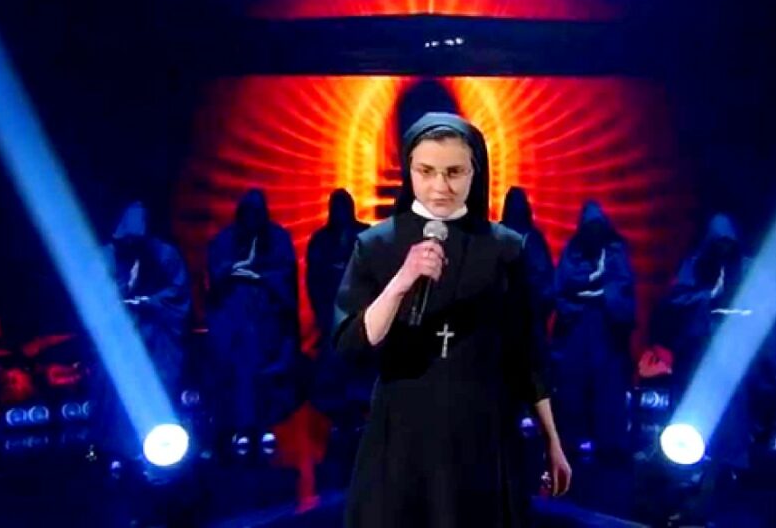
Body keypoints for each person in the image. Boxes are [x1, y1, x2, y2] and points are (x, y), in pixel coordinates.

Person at [333, 112, 571, 527]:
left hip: (482, 432)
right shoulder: (375, 244)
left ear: (475, 173)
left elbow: (525, 355)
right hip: (402, 433)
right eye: (426, 171)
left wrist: (552, 439)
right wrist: (402, 280)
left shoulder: (505, 248)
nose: (440, 187)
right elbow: (351, 343)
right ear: (408, 170)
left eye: (454, 172)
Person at [645, 214, 776, 471]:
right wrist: (708, 297)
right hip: (699, 353)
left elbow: (767, 311)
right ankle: (692, 468)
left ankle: (730, 467)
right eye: (718, 244)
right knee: (694, 414)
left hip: (735, 354)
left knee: (734, 414)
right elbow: (675, 303)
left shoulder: (749, 269)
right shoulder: (695, 267)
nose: (723, 250)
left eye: (727, 245)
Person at [206, 188, 301, 452]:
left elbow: (285, 274)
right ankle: (241, 428)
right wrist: (234, 270)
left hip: (266, 318)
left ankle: (265, 425)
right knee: (239, 373)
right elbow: (216, 273)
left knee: (266, 372)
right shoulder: (225, 239)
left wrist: (260, 276)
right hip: (234, 316)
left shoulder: (277, 238)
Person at [99, 201, 191, 460]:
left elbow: (177, 293)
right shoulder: (107, 256)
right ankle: (118, 450)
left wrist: (149, 303)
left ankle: (157, 448)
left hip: (157, 336)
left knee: (160, 386)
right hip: (120, 339)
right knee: (117, 394)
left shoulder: (165, 255)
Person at [552, 200, 636, 458]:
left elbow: (624, 285)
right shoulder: (573, 251)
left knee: (607, 383)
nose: (595, 233)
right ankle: (573, 438)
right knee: (574, 382)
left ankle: (609, 442)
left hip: (606, 326)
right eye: (590, 229)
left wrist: (605, 295)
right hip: (578, 326)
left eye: (598, 228)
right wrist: (584, 292)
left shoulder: (615, 252)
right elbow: (562, 285)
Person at [307, 189, 373, 429]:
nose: (341, 213)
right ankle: (336, 413)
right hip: (332, 312)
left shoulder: (365, 236)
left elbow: (376, 273)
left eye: (345, 207)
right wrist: (321, 310)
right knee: (334, 362)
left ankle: (358, 409)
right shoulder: (321, 240)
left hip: (360, 312)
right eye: (337, 207)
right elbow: (314, 278)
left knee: (359, 362)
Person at [500, 187, 555, 347]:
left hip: (505, 311)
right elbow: (544, 279)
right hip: (526, 312)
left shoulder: (495, 234)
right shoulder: (532, 238)